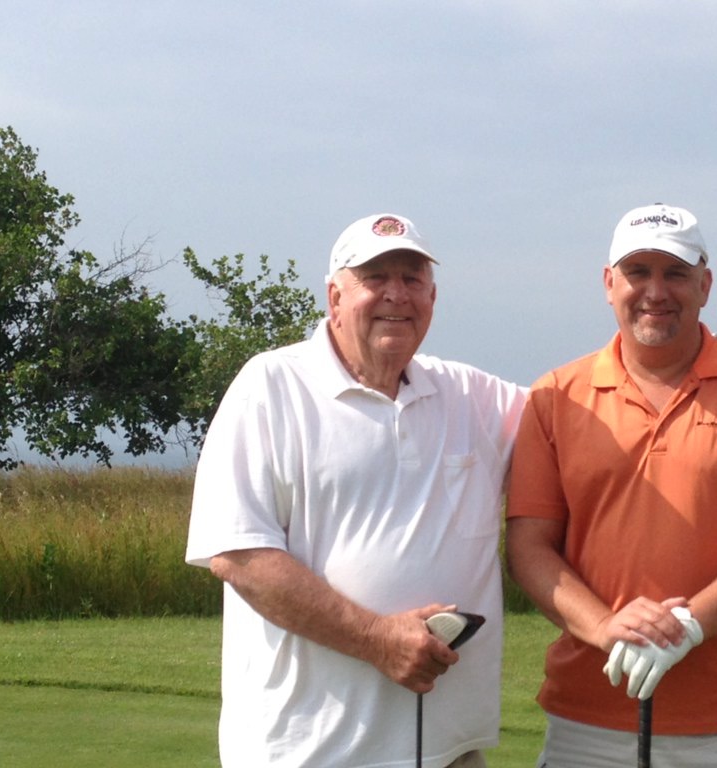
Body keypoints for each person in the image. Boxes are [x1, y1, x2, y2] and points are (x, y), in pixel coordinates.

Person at [185, 213, 529, 768]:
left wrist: (709, 360)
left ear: (432, 297)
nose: (396, 294)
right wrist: (376, 638)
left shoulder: (470, 394)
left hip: (449, 751)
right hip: (309, 754)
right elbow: (239, 556)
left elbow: (588, 418)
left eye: (412, 278)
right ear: (334, 297)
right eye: (374, 277)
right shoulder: (270, 386)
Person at [505, 203, 717, 768]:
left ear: (704, 285)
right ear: (609, 284)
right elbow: (530, 546)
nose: (656, 290)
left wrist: (691, 623)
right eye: (638, 272)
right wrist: (606, 627)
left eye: (675, 273)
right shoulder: (555, 396)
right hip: (588, 720)